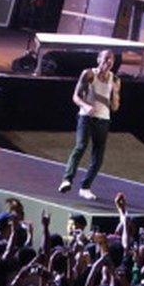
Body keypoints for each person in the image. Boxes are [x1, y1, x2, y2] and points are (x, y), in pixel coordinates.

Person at [59, 50, 121, 201]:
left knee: (98, 156)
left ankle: (85, 187)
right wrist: (86, 106)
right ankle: (67, 179)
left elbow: (114, 107)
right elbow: (75, 96)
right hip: (86, 117)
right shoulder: (88, 74)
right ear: (98, 59)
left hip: (103, 119)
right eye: (105, 58)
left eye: (111, 60)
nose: (108, 62)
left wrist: (115, 94)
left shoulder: (116, 80)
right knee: (80, 146)